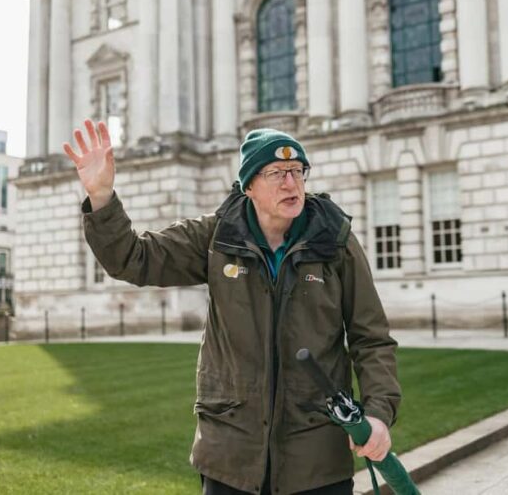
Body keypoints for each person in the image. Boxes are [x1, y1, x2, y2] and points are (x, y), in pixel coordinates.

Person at [64, 120, 401, 494]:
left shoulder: (335, 241)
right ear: (249, 186)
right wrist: (102, 198)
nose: (291, 183)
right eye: (276, 173)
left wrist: (378, 413)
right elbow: (132, 257)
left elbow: (371, 338)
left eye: (297, 171)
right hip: (231, 457)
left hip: (316, 459)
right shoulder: (215, 236)